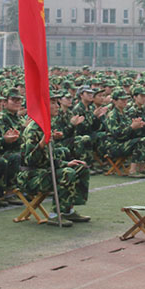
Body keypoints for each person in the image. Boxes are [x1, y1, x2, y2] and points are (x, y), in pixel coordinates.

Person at [17, 93, 90, 227]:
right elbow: (29, 161)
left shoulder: (46, 125)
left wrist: (66, 163)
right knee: (67, 173)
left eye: (57, 102)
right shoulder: (33, 129)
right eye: (53, 103)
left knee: (81, 168)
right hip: (30, 176)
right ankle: (55, 215)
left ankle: (68, 210)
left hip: (45, 171)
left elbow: (50, 158)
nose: (57, 106)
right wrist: (41, 145)